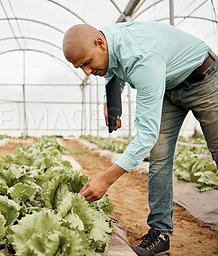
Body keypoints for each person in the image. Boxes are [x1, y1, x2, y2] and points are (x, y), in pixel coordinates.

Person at [62, 21, 218, 256]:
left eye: (87, 63)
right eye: (79, 67)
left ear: (100, 43)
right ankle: (160, 233)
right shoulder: (109, 40)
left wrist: (105, 180)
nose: (86, 72)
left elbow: (146, 134)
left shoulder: (141, 56)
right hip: (167, 84)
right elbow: (113, 68)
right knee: (159, 157)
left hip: (203, 80)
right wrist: (111, 102)